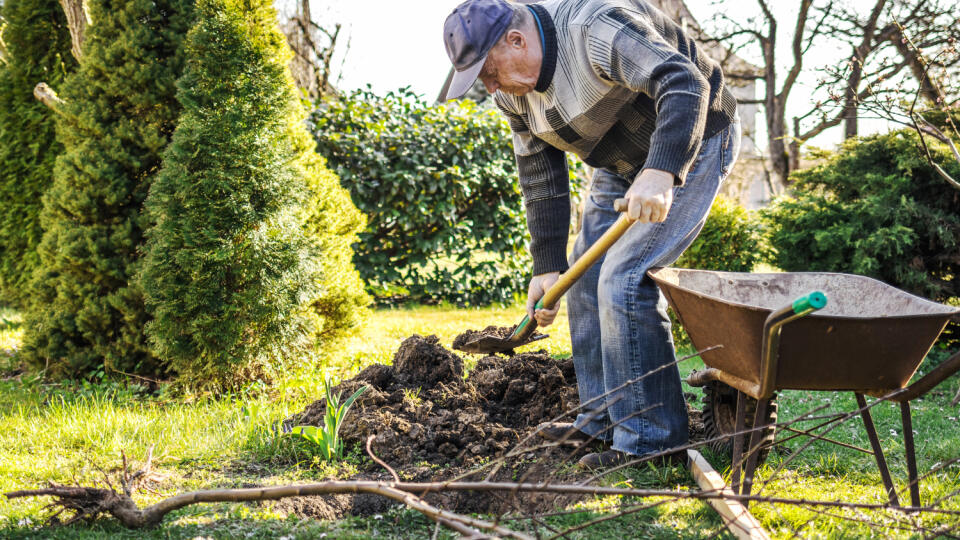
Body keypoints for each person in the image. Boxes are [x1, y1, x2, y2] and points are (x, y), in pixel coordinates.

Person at [441, 0, 740, 468]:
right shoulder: (512, 96)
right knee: (583, 283)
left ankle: (653, 444)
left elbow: (684, 82)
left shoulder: (592, 28)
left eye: (488, 72)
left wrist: (661, 171)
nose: (490, 86)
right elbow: (540, 175)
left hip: (695, 140)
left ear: (516, 41)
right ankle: (602, 422)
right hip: (620, 163)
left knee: (623, 279)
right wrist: (546, 267)